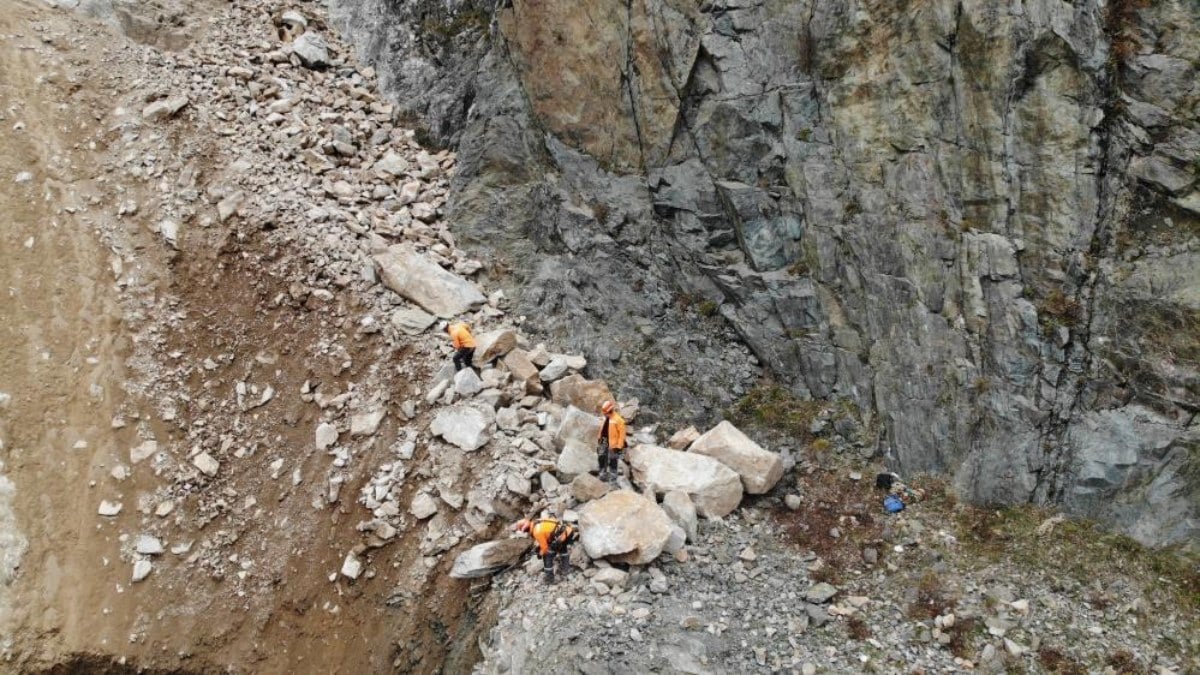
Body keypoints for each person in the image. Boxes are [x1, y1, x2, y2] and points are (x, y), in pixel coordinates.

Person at [514, 514, 578, 584]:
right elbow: (548, 534)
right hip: (567, 531)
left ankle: (550, 579)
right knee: (562, 547)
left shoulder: (537, 531)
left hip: (563, 535)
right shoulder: (537, 522)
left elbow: (545, 549)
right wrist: (539, 548)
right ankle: (566, 569)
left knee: (547, 556)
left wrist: (540, 553)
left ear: (526, 529)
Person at [596, 399, 626, 483]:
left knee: (613, 460)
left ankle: (613, 477)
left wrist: (619, 446)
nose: (604, 414)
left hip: (613, 445)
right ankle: (602, 474)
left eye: (605, 412)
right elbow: (602, 429)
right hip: (603, 442)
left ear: (610, 411)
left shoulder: (619, 420)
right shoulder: (604, 418)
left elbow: (622, 435)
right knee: (601, 458)